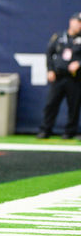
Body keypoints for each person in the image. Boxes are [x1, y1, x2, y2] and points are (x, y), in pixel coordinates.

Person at [36, 12, 81, 140]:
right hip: (58, 76)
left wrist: (79, 63)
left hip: (75, 78)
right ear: (71, 21)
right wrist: (50, 70)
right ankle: (45, 130)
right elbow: (49, 53)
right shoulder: (59, 37)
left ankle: (69, 132)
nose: (80, 25)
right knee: (51, 104)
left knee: (74, 106)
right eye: (78, 22)